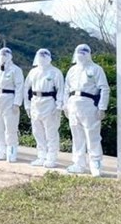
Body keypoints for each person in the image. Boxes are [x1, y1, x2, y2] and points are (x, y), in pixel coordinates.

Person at [64, 44, 110, 177]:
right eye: (79, 51)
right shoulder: (72, 70)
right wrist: (65, 106)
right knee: (77, 136)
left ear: (89, 53)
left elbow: (104, 89)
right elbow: (66, 90)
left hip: (89, 105)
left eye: (84, 52)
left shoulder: (96, 69)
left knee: (92, 135)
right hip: (73, 105)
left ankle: (95, 163)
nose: (81, 54)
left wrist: (102, 107)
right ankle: (78, 163)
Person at [24, 49, 64, 168]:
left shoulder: (55, 72)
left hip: (49, 103)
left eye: (44, 55)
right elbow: (26, 89)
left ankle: (51, 157)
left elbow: (60, 90)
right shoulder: (33, 72)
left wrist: (58, 106)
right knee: (37, 131)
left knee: (50, 132)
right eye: (40, 55)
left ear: (49, 57)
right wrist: (27, 105)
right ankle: (41, 155)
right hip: (35, 102)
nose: (42, 57)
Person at [0, 47, 24, 162]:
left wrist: (17, 103)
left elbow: (19, 87)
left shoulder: (15, 70)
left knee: (10, 128)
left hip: (9, 100)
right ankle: (1, 150)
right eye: (1, 54)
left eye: (6, 54)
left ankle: (11, 151)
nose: (3, 56)